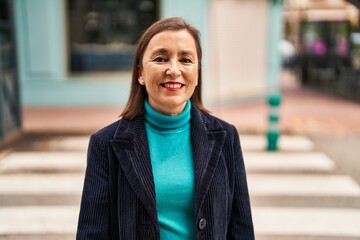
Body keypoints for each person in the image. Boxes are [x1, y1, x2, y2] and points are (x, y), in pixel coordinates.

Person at [77, 17, 254, 240]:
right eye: (161, 59)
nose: (173, 70)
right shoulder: (105, 144)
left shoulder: (226, 137)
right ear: (140, 73)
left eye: (186, 60)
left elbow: (241, 230)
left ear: (197, 73)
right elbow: (92, 234)